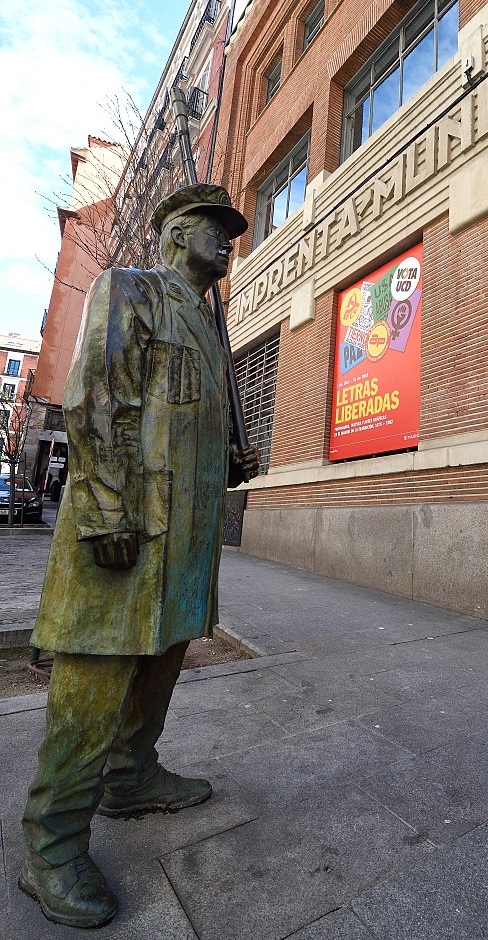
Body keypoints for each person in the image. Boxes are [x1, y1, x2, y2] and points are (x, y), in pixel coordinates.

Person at [20, 183, 259, 929]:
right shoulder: (131, 288)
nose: (226, 242)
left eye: (228, 233)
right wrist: (108, 509)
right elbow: (96, 396)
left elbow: (182, 414)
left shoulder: (209, 324)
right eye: (211, 230)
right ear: (173, 235)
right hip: (126, 526)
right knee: (98, 674)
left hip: (185, 540)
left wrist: (229, 454)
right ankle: (51, 844)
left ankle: (131, 774)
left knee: (163, 655)